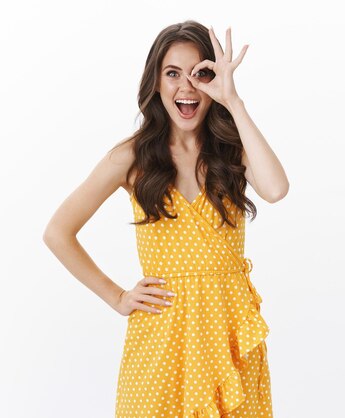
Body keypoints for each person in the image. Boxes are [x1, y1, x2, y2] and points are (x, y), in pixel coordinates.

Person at [42, 20, 288, 418]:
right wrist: (117, 296)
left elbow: (276, 189)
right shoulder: (131, 157)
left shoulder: (232, 151)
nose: (186, 87)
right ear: (156, 82)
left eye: (199, 73)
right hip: (161, 343)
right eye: (173, 73)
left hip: (228, 342)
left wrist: (234, 101)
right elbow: (58, 232)